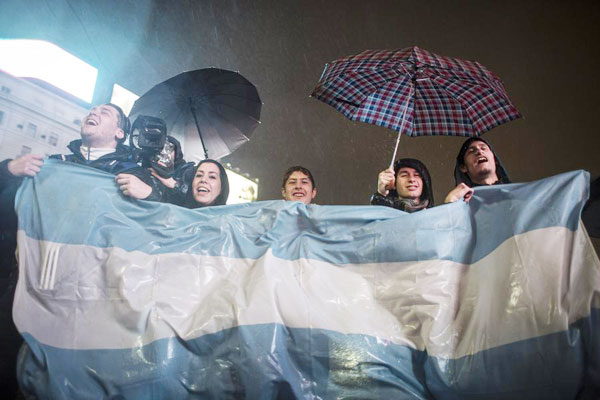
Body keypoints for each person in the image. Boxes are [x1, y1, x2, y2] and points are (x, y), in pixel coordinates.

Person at [0, 102, 157, 397]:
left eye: (105, 112)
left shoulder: (134, 176)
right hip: (31, 286)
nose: (94, 113)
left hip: (90, 300)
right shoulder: (53, 165)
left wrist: (152, 195)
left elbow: (160, 229)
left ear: (120, 132)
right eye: (92, 109)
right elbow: (9, 212)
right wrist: (9, 170)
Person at [444, 137, 511, 203]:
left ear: (495, 160)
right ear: (463, 167)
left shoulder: (516, 194)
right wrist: (451, 201)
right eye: (471, 151)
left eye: (483, 148)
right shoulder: (465, 204)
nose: (479, 151)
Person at [370, 158, 434, 213]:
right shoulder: (387, 212)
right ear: (394, 183)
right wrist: (381, 195)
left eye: (417, 175)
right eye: (404, 175)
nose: (411, 179)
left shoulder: (435, 216)